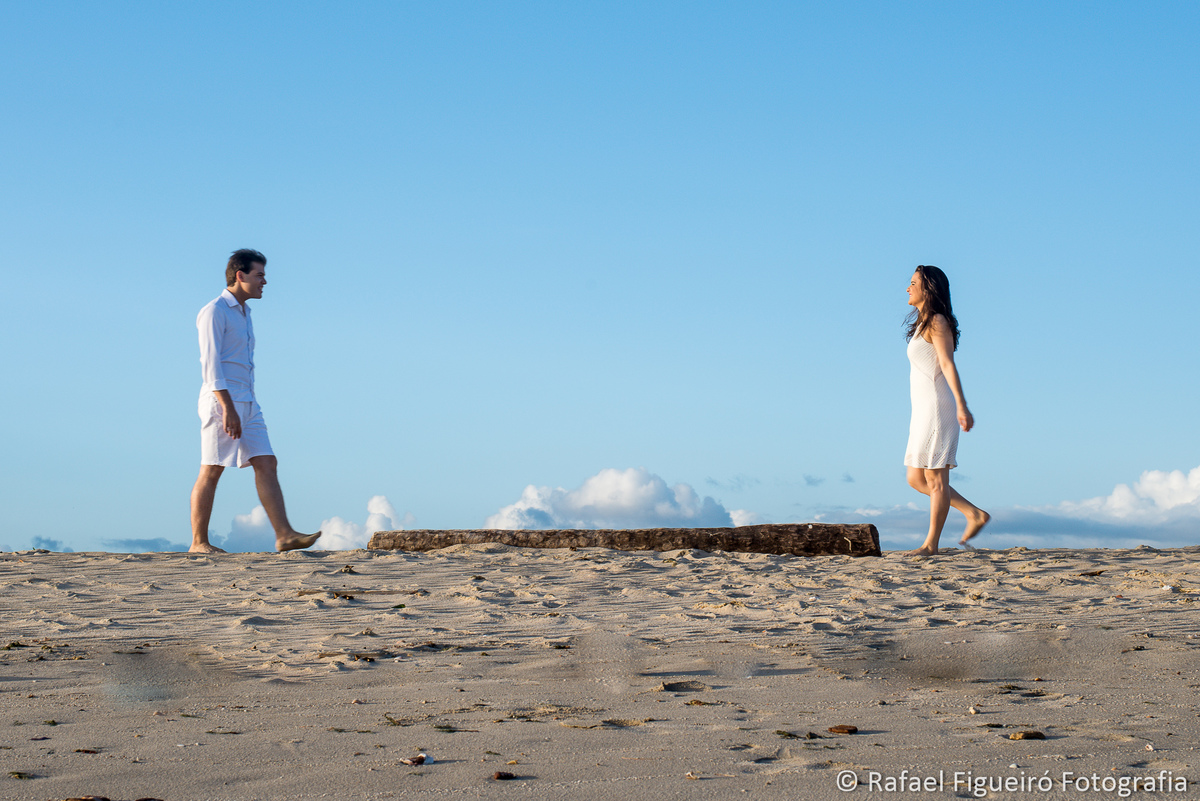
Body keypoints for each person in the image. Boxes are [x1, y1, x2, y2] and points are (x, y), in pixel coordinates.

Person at [189, 249, 321, 554]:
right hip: (221, 401)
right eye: (259, 275)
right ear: (240, 275)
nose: (264, 281)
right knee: (212, 468)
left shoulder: (245, 313)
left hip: (248, 399)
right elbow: (210, 365)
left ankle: (284, 534)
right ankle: (198, 542)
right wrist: (227, 407)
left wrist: (244, 404)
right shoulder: (214, 311)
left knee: (266, 461)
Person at [903, 265, 989, 555]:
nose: (908, 288)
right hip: (922, 411)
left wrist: (963, 405)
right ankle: (973, 513)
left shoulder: (938, 321)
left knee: (936, 479)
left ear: (928, 288)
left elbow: (947, 364)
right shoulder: (922, 324)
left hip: (938, 409)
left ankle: (931, 545)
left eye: (913, 283)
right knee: (916, 478)